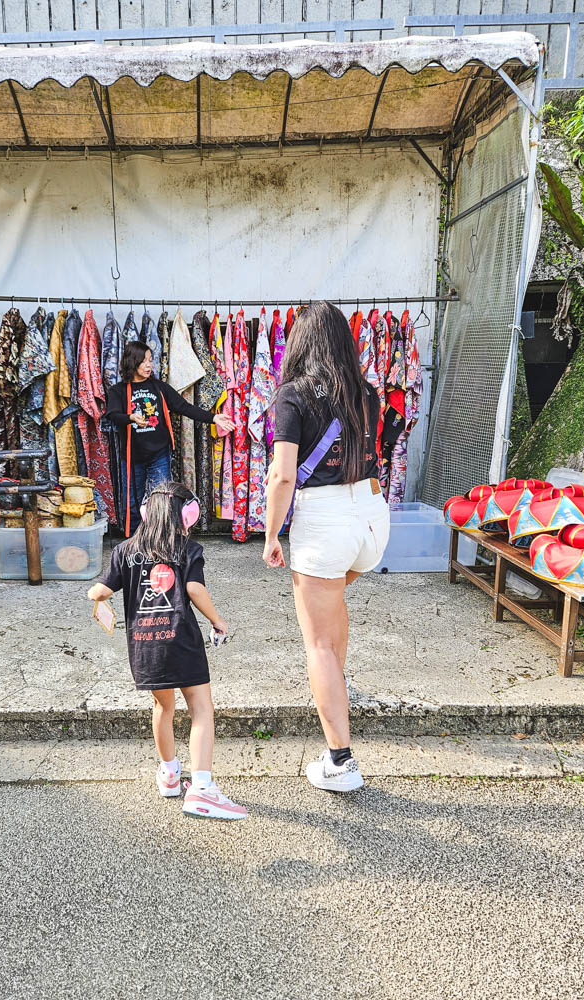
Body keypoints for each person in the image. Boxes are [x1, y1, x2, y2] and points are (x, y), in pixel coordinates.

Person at [263, 300, 390, 793]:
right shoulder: (367, 393)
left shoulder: (292, 396)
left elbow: (282, 476)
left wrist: (272, 535)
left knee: (315, 642)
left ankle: (340, 762)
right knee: (332, 612)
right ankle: (336, 686)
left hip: (326, 522)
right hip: (374, 523)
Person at [87, 481, 247, 821]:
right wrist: (218, 620)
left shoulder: (124, 551)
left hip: (145, 646)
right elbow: (193, 588)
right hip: (181, 641)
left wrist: (97, 597)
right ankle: (202, 788)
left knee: (163, 707)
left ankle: (170, 773)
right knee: (201, 708)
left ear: (147, 512)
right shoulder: (187, 549)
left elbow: (100, 591)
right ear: (187, 515)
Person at [105, 341, 234, 536]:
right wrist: (131, 417)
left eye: (150, 360)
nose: (149, 365)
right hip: (132, 456)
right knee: (133, 502)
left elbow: (184, 407)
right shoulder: (118, 391)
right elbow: (113, 415)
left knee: (163, 500)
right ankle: (134, 541)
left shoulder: (159, 387)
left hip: (159, 454)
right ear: (132, 362)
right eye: (144, 361)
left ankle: (161, 539)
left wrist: (214, 418)